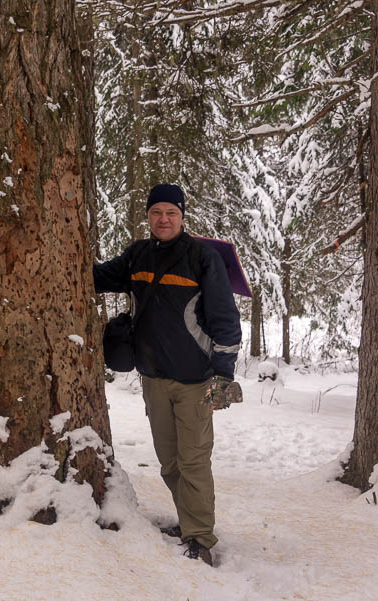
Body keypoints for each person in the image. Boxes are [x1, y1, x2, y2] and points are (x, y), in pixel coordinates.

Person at [93, 184, 242, 567]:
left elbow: (226, 320)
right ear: (148, 216)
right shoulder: (138, 255)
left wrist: (223, 374)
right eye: (156, 212)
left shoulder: (202, 258)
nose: (163, 219)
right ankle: (187, 520)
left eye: (170, 213)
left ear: (182, 216)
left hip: (195, 380)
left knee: (193, 461)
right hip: (153, 378)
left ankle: (200, 539)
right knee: (169, 462)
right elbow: (98, 277)